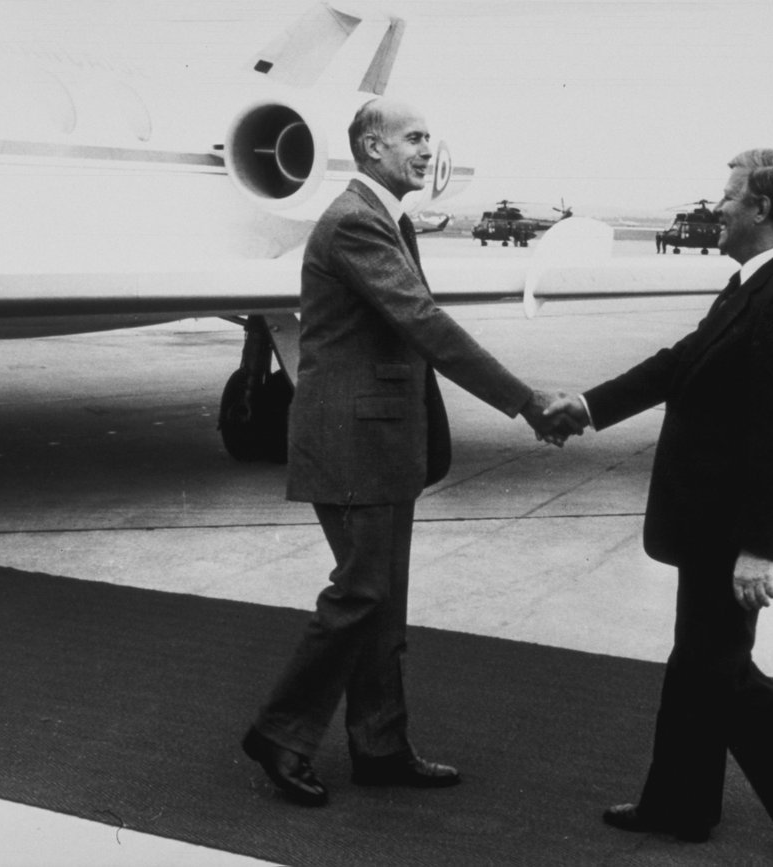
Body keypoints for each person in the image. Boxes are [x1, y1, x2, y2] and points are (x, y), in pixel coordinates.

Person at [545, 149, 773, 865]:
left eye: (728, 197)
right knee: (699, 662)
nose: (716, 208)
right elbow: (682, 362)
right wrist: (588, 406)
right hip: (706, 520)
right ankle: (681, 801)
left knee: (718, 669)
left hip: (731, 528)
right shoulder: (752, 285)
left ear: (761, 209)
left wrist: (760, 545)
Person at [241, 96, 574, 808]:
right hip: (352, 441)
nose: (428, 150)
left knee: (382, 604)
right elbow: (422, 322)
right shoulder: (357, 221)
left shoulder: (382, 217)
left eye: (430, 137)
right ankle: (281, 730)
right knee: (362, 593)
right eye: (413, 139)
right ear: (371, 148)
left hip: (378, 440)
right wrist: (524, 400)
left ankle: (381, 744)